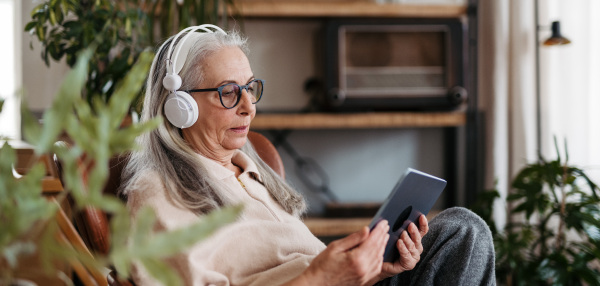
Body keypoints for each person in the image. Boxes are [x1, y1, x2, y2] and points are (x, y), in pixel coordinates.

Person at [120, 24, 496, 286]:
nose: (249, 107)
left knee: (460, 231)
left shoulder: (252, 172)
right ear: (179, 107)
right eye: (229, 92)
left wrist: (377, 268)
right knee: (466, 230)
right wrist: (321, 279)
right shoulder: (160, 192)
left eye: (251, 89)